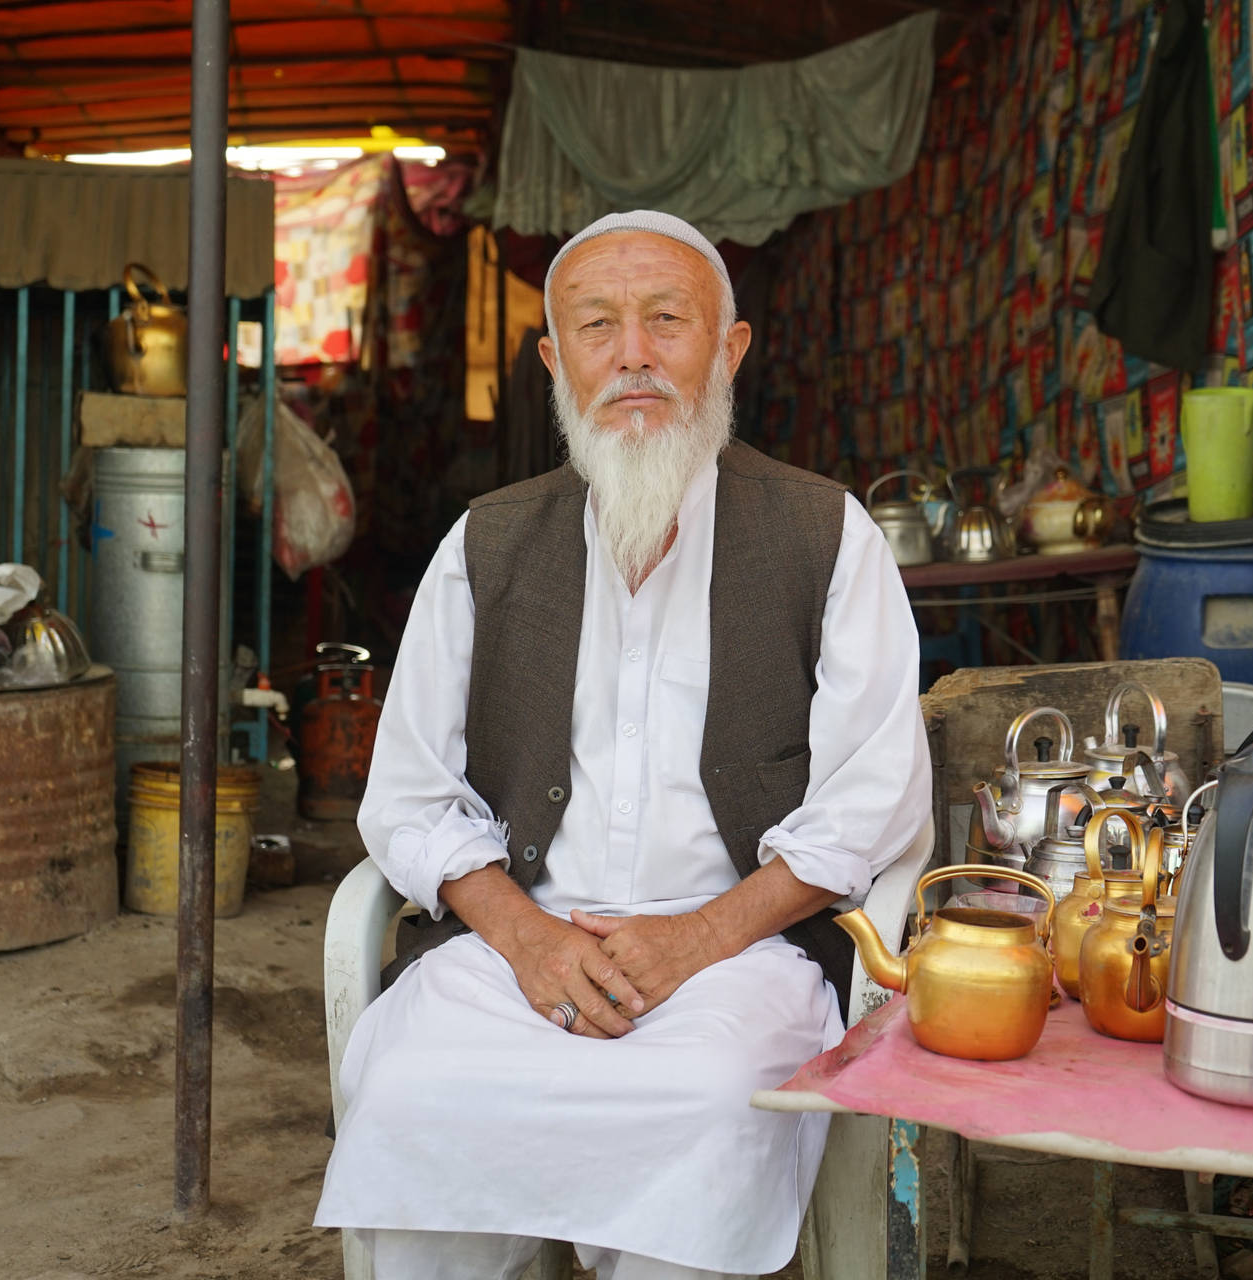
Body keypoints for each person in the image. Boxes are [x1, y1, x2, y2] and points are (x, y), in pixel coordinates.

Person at [315, 210, 933, 1280]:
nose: (633, 355)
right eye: (598, 326)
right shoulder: (486, 542)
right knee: (420, 1087)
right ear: (556, 361)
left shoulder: (824, 534)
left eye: (667, 320)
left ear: (728, 349)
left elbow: (871, 802)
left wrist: (693, 938)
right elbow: (411, 795)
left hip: (740, 960)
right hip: (519, 957)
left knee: (703, 1103)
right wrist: (526, 935)